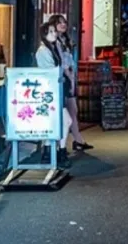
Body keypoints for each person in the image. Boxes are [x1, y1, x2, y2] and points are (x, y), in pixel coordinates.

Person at [48, 14, 92, 152]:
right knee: (67, 113)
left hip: (68, 76)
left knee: (72, 111)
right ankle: (61, 145)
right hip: (63, 77)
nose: (63, 25)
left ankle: (77, 140)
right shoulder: (55, 42)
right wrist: (70, 77)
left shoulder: (63, 40)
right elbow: (62, 62)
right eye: (59, 23)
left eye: (64, 22)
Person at [35, 22, 72, 169]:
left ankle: (53, 152)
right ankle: (57, 152)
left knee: (60, 122)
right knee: (64, 121)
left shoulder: (53, 47)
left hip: (55, 90)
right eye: (50, 32)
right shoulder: (43, 51)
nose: (54, 34)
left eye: (54, 31)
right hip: (50, 92)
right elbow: (50, 72)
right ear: (44, 34)